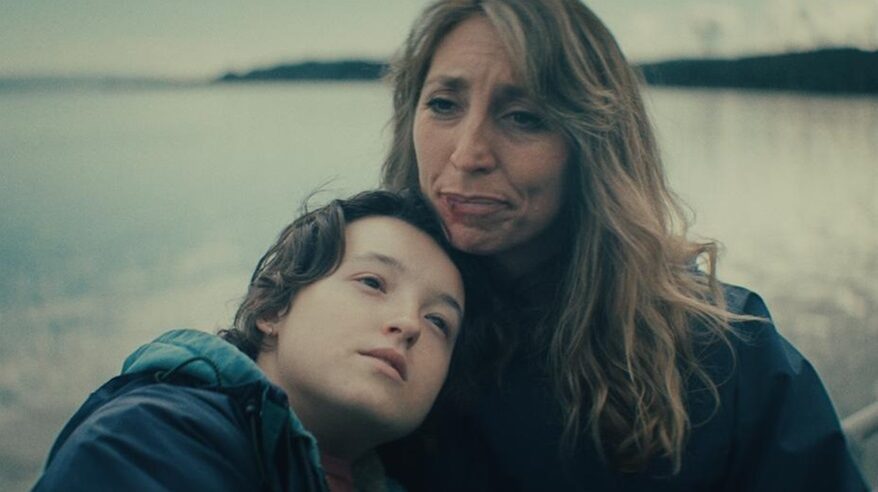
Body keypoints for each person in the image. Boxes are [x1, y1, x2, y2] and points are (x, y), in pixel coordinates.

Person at [379, 1, 870, 490]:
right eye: (443, 104)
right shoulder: (362, 315)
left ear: (594, 145)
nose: (467, 155)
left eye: (524, 117)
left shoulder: (723, 358)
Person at [34, 190, 482, 492]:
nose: (409, 324)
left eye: (439, 322)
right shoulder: (150, 439)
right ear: (271, 308)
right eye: (372, 282)